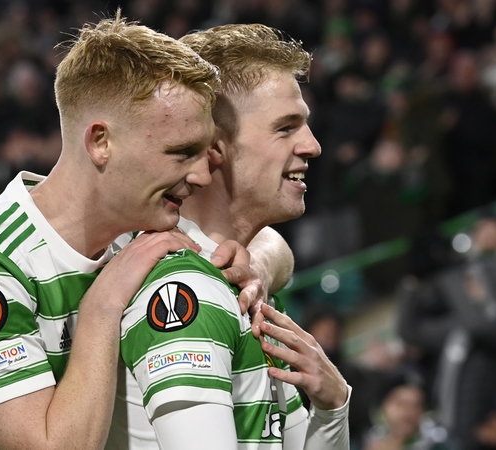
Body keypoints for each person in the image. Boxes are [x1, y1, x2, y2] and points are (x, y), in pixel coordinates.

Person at [0, 12, 290, 449]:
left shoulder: (138, 228)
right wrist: (103, 306)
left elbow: (261, 241)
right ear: (100, 142)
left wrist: (257, 262)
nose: (202, 176)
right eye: (181, 152)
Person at [107, 24, 350, 449]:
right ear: (215, 146)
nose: (312, 145)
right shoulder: (184, 290)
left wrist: (332, 410)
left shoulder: (237, 277)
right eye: (285, 128)